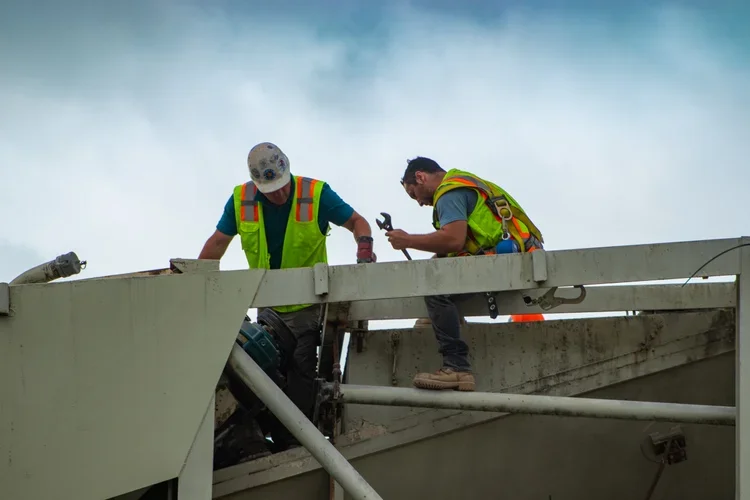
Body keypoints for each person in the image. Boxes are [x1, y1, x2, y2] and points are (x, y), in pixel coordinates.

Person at [199, 141, 375, 450]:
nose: (278, 194)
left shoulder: (316, 193)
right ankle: (271, 431)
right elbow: (217, 243)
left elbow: (357, 221)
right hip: (268, 304)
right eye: (270, 190)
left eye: (281, 187)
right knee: (260, 365)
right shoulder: (242, 200)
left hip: (308, 304)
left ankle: (295, 439)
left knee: (301, 370)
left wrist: (364, 246)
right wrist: (194, 281)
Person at [385, 156, 544, 392]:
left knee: (435, 290)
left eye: (413, 193)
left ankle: (457, 368)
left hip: (507, 261)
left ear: (420, 177)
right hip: (517, 255)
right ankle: (448, 324)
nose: (418, 202)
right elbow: (463, 244)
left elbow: (453, 239)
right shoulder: (464, 182)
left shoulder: (449, 193)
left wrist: (407, 240)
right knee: (439, 278)